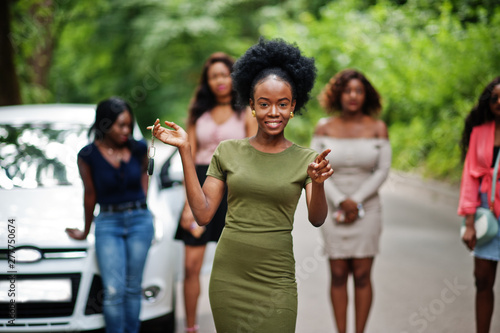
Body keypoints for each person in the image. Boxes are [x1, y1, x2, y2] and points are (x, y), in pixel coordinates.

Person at [148, 37, 334, 333]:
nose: (273, 112)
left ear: (293, 106)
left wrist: (320, 183)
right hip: (229, 277)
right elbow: (203, 214)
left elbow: (317, 218)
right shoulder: (227, 151)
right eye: (264, 104)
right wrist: (185, 150)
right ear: (251, 106)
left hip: (277, 280)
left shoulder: (307, 160)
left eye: (282, 104)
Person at [176, 52, 257, 333]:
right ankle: (190, 327)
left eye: (225, 74)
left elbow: (253, 154)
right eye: (213, 77)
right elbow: (189, 152)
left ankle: (240, 324)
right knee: (190, 266)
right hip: (200, 185)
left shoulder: (246, 110)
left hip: (234, 189)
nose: (220, 81)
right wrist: (189, 204)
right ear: (207, 82)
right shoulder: (198, 111)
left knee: (236, 267)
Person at [311, 69, 391, 333]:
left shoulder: (378, 128)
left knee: (362, 275)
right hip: (333, 206)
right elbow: (315, 167)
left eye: (358, 90)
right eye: (347, 90)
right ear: (338, 94)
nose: (353, 96)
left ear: (366, 95)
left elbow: (382, 170)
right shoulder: (324, 127)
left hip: (367, 208)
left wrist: (355, 200)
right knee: (337, 275)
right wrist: (339, 200)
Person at [66, 97, 154, 333]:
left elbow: (145, 173)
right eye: (120, 125)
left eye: (129, 125)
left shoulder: (138, 148)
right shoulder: (87, 155)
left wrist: (143, 200)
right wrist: (85, 230)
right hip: (108, 223)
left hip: (140, 222)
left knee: (133, 287)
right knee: (114, 290)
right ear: (105, 125)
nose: (126, 130)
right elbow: (90, 195)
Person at [459, 76, 500, 333]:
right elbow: (469, 180)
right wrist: (470, 223)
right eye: (495, 98)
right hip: (487, 212)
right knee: (482, 280)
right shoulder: (479, 132)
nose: (499, 102)